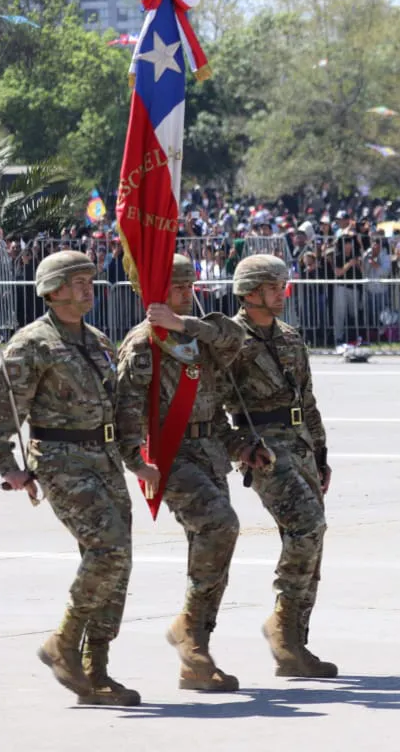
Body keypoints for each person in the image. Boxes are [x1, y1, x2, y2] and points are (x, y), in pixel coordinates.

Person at [0, 251, 158, 706]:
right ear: (53, 290)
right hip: (62, 459)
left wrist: (134, 459)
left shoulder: (98, 339)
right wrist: (9, 468)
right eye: (77, 281)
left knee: (117, 561)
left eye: (89, 280)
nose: (88, 287)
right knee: (108, 550)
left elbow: (119, 407)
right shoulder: (32, 345)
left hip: (102, 458)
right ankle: (62, 643)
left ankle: (94, 670)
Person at [115, 254, 247, 691]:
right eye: (176, 288)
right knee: (220, 526)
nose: (186, 295)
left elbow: (235, 339)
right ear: (153, 292)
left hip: (209, 451)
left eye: (189, 287)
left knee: (214, 549)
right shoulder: (143, 343)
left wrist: (185, 323)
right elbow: (127, 408)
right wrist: (137, 462)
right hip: (171, 455)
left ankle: (196, 649)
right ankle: (190, 633)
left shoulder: (196, 336)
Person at [223, 254, 336, 677]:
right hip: (265, 450)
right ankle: (282, 631)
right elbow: (212, 406)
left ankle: (296, 643)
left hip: (301, 446)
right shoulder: (232, 340)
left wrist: (321, 454)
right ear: (250, 293)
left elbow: (307, 400)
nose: (281, 294)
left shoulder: (290, 337)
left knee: (313, 540)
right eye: (273, 288)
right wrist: (240, 447)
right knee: (305, 528)